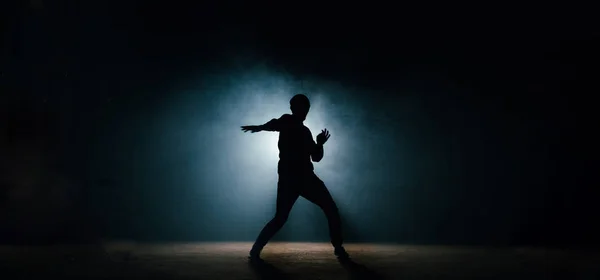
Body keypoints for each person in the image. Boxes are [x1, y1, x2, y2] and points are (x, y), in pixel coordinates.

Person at [241, 94, 350, 262]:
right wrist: (260, 127)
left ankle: (338, 247)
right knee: (281, 218)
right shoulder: (288, 121)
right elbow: (275, 124)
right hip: (291, 178)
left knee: (329, 209)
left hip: (305, 177)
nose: (304, 111)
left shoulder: (306, 132)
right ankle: (255, 249)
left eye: (306, 108)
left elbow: (316, 157)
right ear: (293, 108)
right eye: (300, 107)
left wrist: (320, 144)